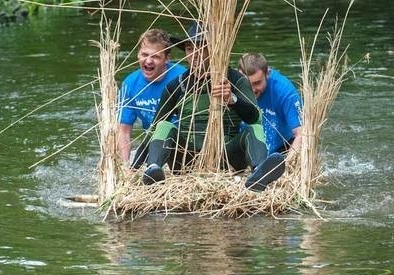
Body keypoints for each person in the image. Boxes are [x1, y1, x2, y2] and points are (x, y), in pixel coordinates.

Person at [135, 23, 285, 191]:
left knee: (254, 129)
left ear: (215, 50)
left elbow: (255, 118)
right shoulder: (176, 86)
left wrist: (232, 99)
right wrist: (134, 168)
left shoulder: (235, 80)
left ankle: (259, 173)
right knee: (164, 126)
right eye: (190, 49)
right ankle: (153, 169)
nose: (195, 55)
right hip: (186, 161)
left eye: (202, 48)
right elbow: (155, 129)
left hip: (227, 159)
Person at [117, 29, 186, 163]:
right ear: (138, 54)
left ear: (167, 59)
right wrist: (125, 167)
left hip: (181, 147)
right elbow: (123, 132)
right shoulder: (129, 84)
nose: (148, 61)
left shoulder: (183, 78)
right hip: (152, 145)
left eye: (155, 56)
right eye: (144, 54)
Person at [238, 53, 303, 154]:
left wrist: (290, 163)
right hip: (245, 147)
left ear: (267, 74)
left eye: (257, 83)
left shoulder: (285, 91)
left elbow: (301, 133)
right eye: (247, 84)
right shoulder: (233, 85)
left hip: (281, 148)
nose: (252, 90)